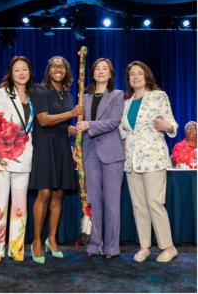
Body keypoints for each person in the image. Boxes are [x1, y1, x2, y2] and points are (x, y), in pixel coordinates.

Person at [119, 60, 178, 263]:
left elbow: (172, 123)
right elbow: (123, 131)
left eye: (139, 73)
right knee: (138, 205)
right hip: (132, 160)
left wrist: (167, 126)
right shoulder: (126, 103)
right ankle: (144, 247)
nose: (135, 77)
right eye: (132, 74)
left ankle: (168, 247)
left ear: (146, 76)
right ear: (128, 79)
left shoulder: (158, 96)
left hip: (153, 157)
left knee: (154, 202)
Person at [29, 56, 83, 264]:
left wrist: (74, 128)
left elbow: (62, 124)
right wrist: (71, 113)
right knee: (44, 192)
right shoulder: (39, 90)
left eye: (62, 66)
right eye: (54, 66)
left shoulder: (68, 95)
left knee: (58, 194)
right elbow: (43, 119)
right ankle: (36, 241)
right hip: (44, 145)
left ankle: (51, 240)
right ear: (48, 69)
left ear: (67, 70)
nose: (58, 69)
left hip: (61, 146)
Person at [0, 56, 34, 263]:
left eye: (25, 69)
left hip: (24, 156)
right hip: (3, 156)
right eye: (17, 70)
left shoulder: (32, 96)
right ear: (11, 74)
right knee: (0, 204)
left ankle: (16, 248)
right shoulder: (2, 93)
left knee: (20, 206)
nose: (21, 73)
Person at [76, 58, 125, 258]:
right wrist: (76, 146)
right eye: (98, 68)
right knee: (93, 202)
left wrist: (89, 125)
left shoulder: (117, 95)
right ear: (92, 73)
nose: (101, 71)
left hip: (112, 153)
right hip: (89, 153)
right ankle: (95, 244)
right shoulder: (83, 97)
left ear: (111, 74)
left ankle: (112, 246)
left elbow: (114, 122)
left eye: (105, 68)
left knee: (112, 202)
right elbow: (78, 125)